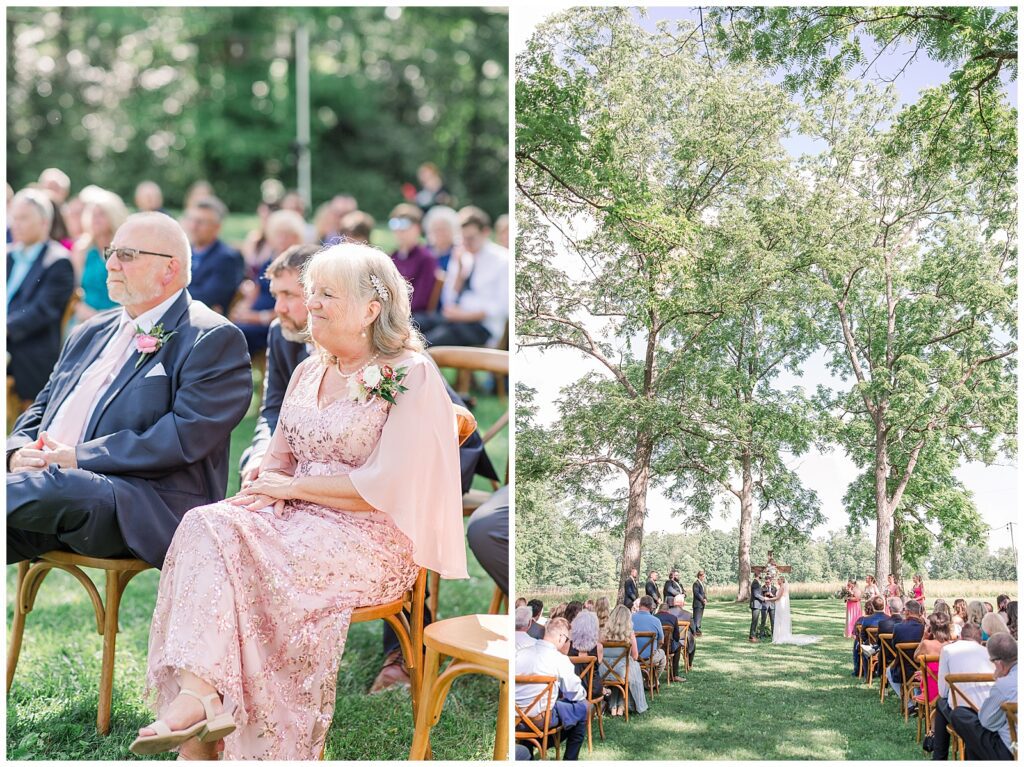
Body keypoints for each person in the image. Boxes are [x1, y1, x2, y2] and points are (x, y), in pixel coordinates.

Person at [133, 241, 467, 760]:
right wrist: (264, 490)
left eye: (326, 294)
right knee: (207, 522)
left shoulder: (410, 374)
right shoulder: (311, 368)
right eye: (311, 293)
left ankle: (215, 725)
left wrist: (290, 490)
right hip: (293, 513)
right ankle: (202, 695)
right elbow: (281, 456)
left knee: (247, 556)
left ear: (371, 310)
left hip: (368, 535)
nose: (311, 304)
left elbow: (389, 484)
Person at [7, 212, 251, 567]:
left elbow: (182, 438)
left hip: (138, 502)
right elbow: (42, 408)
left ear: (169, 269)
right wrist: (14, 454)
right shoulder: (90, 331)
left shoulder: (212, 337)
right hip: (47, 495)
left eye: (127, 255)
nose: (111, 264)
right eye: (111, 252)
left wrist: (78, 457)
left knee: (64, 487)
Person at [7, 188, 76, 403]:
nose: (15, 224)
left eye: (24, 218)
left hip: (27, 351)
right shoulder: (7, 255)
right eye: (14, 218)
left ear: (45, 222)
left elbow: (41, 311)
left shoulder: (58, 261)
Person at [418, 206, 508, 348]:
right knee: (415, 323)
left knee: (427, 342)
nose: (466, 243)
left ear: (485, 232)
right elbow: (449, 299)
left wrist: (464, 315)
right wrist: (459, 270)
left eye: (471, 238)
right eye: (463, 238)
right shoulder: (462, 255)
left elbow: (502, 307)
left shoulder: (503, 260)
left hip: (483, 327)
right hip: (455, 318)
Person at [230, 209, 306, 356]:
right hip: (253, 316)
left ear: (297, 237)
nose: (282, 239)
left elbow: (295, 305)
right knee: (227, 330)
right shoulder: (271, 260)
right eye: (278, 234)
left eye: (287, 235)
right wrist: (243, 309)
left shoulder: (299, 265)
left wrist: (257, 317)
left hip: (275, 320)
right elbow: (256, 288)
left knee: (237, 336)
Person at [515, 618, 588, 761]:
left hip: (514, 719)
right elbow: (575, 694)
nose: (567, 643)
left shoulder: (519, 654)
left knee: (554, 708)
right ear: (561, 637)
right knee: (583, 709)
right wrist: (583, 694)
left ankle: (532, 748)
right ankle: (569, 759)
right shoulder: (559, 659)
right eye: (567, 639)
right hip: (540, 720)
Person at [930, 623, 993, 760]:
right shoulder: (989, 652)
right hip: (986, 711)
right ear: (979, 639)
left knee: (941, 702)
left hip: (961, 712)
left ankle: (939, 757)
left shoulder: (948, 650)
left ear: (961, 636)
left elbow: (943, 691)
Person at [949, 633, 1017, 760]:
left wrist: (999, 679)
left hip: (1013, 750)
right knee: (976, 737)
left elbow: (987, 722)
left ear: (999, 663)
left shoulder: (1004, 684)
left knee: (959, 715)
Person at [70, 187, 130, 323]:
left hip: (119, 318)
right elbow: (74, 291)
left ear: (113, 216)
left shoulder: (126, 251)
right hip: (85, 318)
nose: (96, 219)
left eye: (102, 214)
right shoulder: (82, 250)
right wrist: (82, 310)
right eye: (93, 214)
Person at [180, 196, 244, 315]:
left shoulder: (227, 258)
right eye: (191, 220)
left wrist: (173, 290)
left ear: (216, 227)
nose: (193, 227)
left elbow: (208, 298)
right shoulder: (185, 251)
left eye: (200, 222)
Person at [387, 203, 439, 316]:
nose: (399, 232)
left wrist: (395, 314)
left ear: (417, 228)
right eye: (394, 225)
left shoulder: (426, 259)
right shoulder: (391, 257)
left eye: (404, 226)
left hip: (414, 317)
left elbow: (420, 300)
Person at [600, 605, 647, 716]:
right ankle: (621, 706)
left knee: (621, 669)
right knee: (631, 667)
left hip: (604, 671)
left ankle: (614, 707)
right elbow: (635, 656)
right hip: (621, 672)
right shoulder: (629, 634)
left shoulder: (603, 634)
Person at [888, 599, 926, 703]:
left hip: (904, 671)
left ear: (908, 612)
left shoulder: (898, 627)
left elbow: (895, 648)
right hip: (923, 670)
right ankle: (918, 697)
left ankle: (909, 703)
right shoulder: (925, 628)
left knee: (888, 671)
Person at [914, 612, 953, 709]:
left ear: (931, 628)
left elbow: (915, 658)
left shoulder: (926, 644)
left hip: (931, 690)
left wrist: (924, 638)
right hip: (950, 689)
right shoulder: (952, 645)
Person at [772, 575, 819, 645]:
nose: (777, 581)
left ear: (781, 580)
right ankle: (780, 634)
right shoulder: (782, 587)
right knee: (780, 619)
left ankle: (781, 636)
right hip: (779, 604)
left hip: (781, 604)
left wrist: (767, 599)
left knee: (780, 619)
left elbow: (778, 598)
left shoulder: (782, 587)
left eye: (778, 580)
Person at [568, 610, 603, 700]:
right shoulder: (598, 647)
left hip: (571, 688)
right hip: (593, 689)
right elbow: (599, 664)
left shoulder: (567, 646)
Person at [631, 596, 666, 680]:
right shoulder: (656, 621)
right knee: (662, 655)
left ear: (639, 605)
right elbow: (661, 641)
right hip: (649, 658)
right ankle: (652, 680)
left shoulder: (630, 618)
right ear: (651, 607)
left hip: (631, 657)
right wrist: (655, 649)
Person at [853, 596, 886, 676]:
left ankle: (864, 673)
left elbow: (862, 636)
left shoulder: (865, 620)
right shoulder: (888, 619)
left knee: (859, 644)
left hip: (871, 647)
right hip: (884, 647)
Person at [423, 204, 460, 275]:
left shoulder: (458, 251)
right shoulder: (425, 251)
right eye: (437, 229)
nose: (440, 233)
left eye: (444, 229)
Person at [667, 594, 697, 669]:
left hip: (668, 640)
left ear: (674, 603)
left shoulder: (667, 613)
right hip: (683, 640)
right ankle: (689, 664)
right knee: (693, 640)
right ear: (683, 604)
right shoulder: (688, 614)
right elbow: (693, 630)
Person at [749, 575, 766, 643]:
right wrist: (763, 598)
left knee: (755, 621)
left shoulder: (756, 583)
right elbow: (756, 594)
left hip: (757, 604)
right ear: (758, 576)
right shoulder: (755, 582)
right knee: (754, 621)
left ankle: (752, 635)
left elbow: (758, 592)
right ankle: (752, 637)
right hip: (755, 605)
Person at [691, 570, 708, 636]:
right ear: (699, 576)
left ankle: (698, 630)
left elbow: (704, 593)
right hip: (697, 603)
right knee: (696, 618)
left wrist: (706, 599)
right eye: (703, 576)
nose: (704, 577)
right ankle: (694, 631)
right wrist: (702, 599)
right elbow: (696, 593)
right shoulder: (696, 583)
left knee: (699, 618)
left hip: (702, 604)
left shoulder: (702, 584)